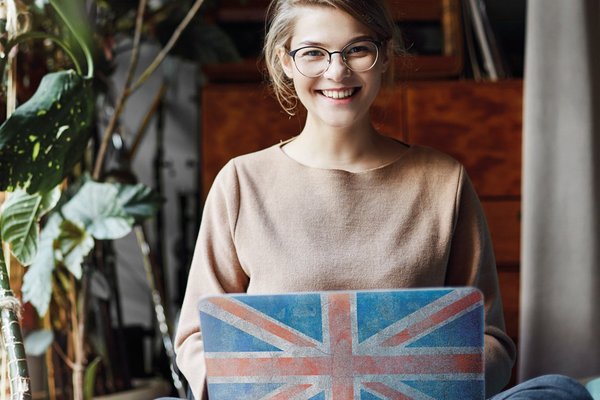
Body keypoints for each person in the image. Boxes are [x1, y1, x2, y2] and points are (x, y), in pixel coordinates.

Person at [171, 1, 593, 399]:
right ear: (285, 61)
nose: (337, 71)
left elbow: (489, 338)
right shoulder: (241, 182)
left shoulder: (444, 181)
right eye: (313, 53)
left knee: (560, 392)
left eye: (357, 49)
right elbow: (195, 337)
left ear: (384, 55)